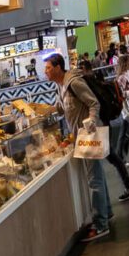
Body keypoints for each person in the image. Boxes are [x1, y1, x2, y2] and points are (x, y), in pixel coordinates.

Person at [45, 53, 112, 243]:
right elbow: (62, 109)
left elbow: (93, 102)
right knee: (96, 176)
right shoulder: (61, 86)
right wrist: (45, 110)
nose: (46, 72)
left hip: (88, 135)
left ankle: (101, 224)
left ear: (58, 67)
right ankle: (106, 213)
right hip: (80, 136)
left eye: (48, 68)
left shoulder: (73, 82)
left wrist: (91, 121)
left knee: (94, 179)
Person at [80, 60, 129, 203]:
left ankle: (128, 186)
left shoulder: (88, 83)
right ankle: (128, 185)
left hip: (99, 125)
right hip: (105, 123)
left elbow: (94, 105)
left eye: (81, 69)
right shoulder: (97, 80)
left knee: (111, 156)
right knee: (111, 155)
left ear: (85, 69)